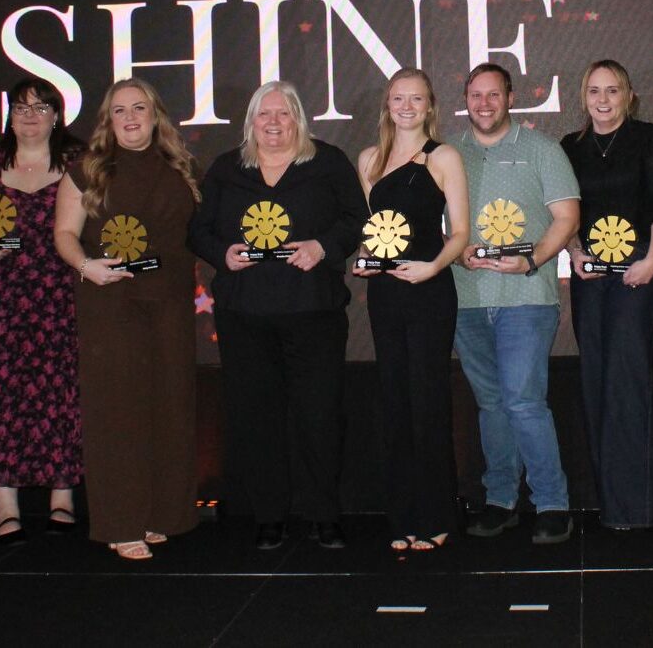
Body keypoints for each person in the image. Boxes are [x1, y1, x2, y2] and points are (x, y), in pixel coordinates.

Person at [187, 81, 368, 550]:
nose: (273, 122)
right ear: (251, 122)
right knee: (256, 417)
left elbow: (357, 218)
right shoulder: (226, 169)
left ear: (298, 119)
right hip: (245, 315)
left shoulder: (328, 163)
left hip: (314, 312)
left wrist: (322, 246)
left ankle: (324, 514)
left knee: (319, 417)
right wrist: (222, 254)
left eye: (283, 113)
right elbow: (198, 231)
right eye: (264, 114)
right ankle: (269, 515)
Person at [55, 78, 201, 561]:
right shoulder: (87, 170)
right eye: (120, 110)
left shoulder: (182, 167)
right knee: (117, 412)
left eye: (139, 108)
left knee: (169, 405)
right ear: (108, 120)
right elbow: (64, 234)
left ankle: (162, 514)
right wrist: (87, 267)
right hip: (110, 300)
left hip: (170, 303)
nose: (131, 117)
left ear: (155, 115)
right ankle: (120, 523)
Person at [0, 78, 83, 544]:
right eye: (21, 108)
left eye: (40, 107)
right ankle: (5, 506)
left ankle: (63, 498)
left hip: (59, 298)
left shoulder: (78, 163)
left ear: (57, 116)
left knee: (60, 394)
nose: (30, 116)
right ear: (9, 115)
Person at [454, 63, 580, 545]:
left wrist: (532, 261)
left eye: (494, 95)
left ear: (510, 98)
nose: (484, 104)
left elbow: (567, 217)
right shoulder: (448, 154)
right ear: (465, 100)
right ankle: (500, 500)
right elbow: (435, 225)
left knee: (524, 402)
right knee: (490, 404)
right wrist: (454, 251)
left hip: (526, 298)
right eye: (476, 95)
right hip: (467, 299)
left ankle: (552, 504)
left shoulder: (542, 150)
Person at [353, 69, 470, 551]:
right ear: (388, 104)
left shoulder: (443, 157)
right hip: (386, 294)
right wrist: (365, 260)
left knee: (428, 400)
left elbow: (460, 233)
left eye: (415, 99)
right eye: (398, 98)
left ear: (430, 106)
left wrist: (432, 267)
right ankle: (402, 517)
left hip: (430, 291)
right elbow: (372, 231)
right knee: (395, 402)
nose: (406, 106)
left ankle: (436, 515)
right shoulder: (368, 159)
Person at [560, 60, 653, 530]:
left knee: (627, 378)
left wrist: (652, 261)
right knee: (596, 377)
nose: (603, 100)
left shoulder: (650, 139)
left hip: (642, 270)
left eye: (612, 90)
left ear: (629, 95)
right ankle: (612, 506)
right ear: (583, 97)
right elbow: (565, 213)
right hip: (592, 276)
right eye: (595, 91)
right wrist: (574, 252)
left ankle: (642, 507)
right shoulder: (571, 147)